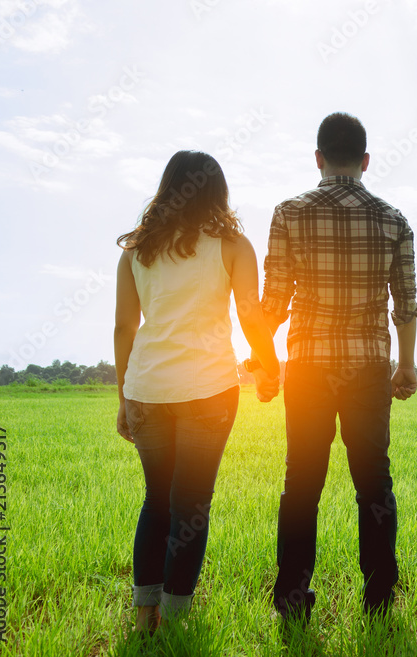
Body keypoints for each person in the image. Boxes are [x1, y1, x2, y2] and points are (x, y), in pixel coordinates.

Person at [251, 112, 417, 621]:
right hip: (369, 367)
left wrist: (264, 365)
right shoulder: (394, 219)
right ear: (366, 162)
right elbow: (405, 301)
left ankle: (292, 600)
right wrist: (406, 366)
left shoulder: (289, 213)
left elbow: (273, 303)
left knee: (301, 482)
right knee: (374, 483)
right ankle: (379, 598)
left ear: (319, 159)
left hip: (306, 366)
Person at [113, 150, 281, 633]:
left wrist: (123, 398)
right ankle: (174, 618)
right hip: (208, 389)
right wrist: (269, 368)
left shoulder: (136, 251)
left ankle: (145, 616)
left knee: (157, 501)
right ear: (218, 192)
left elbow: (125, 326)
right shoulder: (232, 245)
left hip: (146, 388)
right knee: (191, 506)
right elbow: (249, 314)